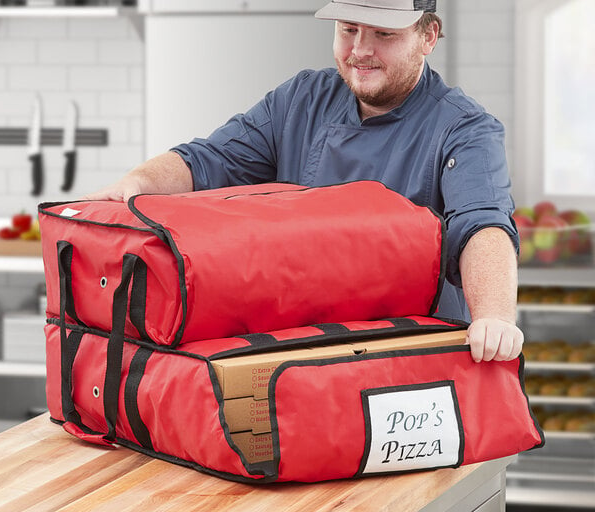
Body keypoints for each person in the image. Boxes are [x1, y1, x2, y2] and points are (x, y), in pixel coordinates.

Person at [83, 0, 523, 363]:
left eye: (384, 34)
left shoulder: (465, 129)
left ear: (428, 36)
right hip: (301, 353)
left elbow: (481, 224)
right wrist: (136, 183)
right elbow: (210, 159)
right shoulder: (301, 99)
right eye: (349, 29)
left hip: (409, 360)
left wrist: (496, 317)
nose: (360, 50)